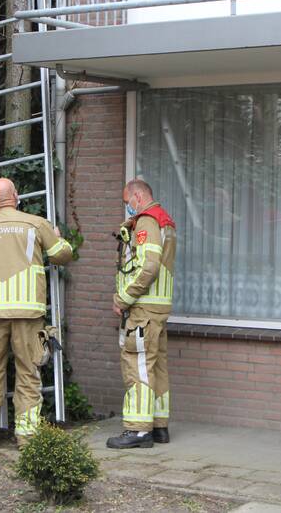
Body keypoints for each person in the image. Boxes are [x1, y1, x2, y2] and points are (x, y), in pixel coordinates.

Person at [0, 177, 73, 449]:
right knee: (28, 370)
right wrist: (57, 238)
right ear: (16, 195)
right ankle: (26, 435)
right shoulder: (35, 224)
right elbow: (62, 255)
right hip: (27, 312)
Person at [106, 179, 177, 449]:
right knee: (157, 365)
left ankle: (138, 430)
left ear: (138, 196)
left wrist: (124, 298)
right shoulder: (164, 221)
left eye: (128, 202)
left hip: (143, 308)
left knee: (138, 365)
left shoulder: (147, 221)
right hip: (159, 307)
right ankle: (159, 427)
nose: (128, 207)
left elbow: (148, 267)